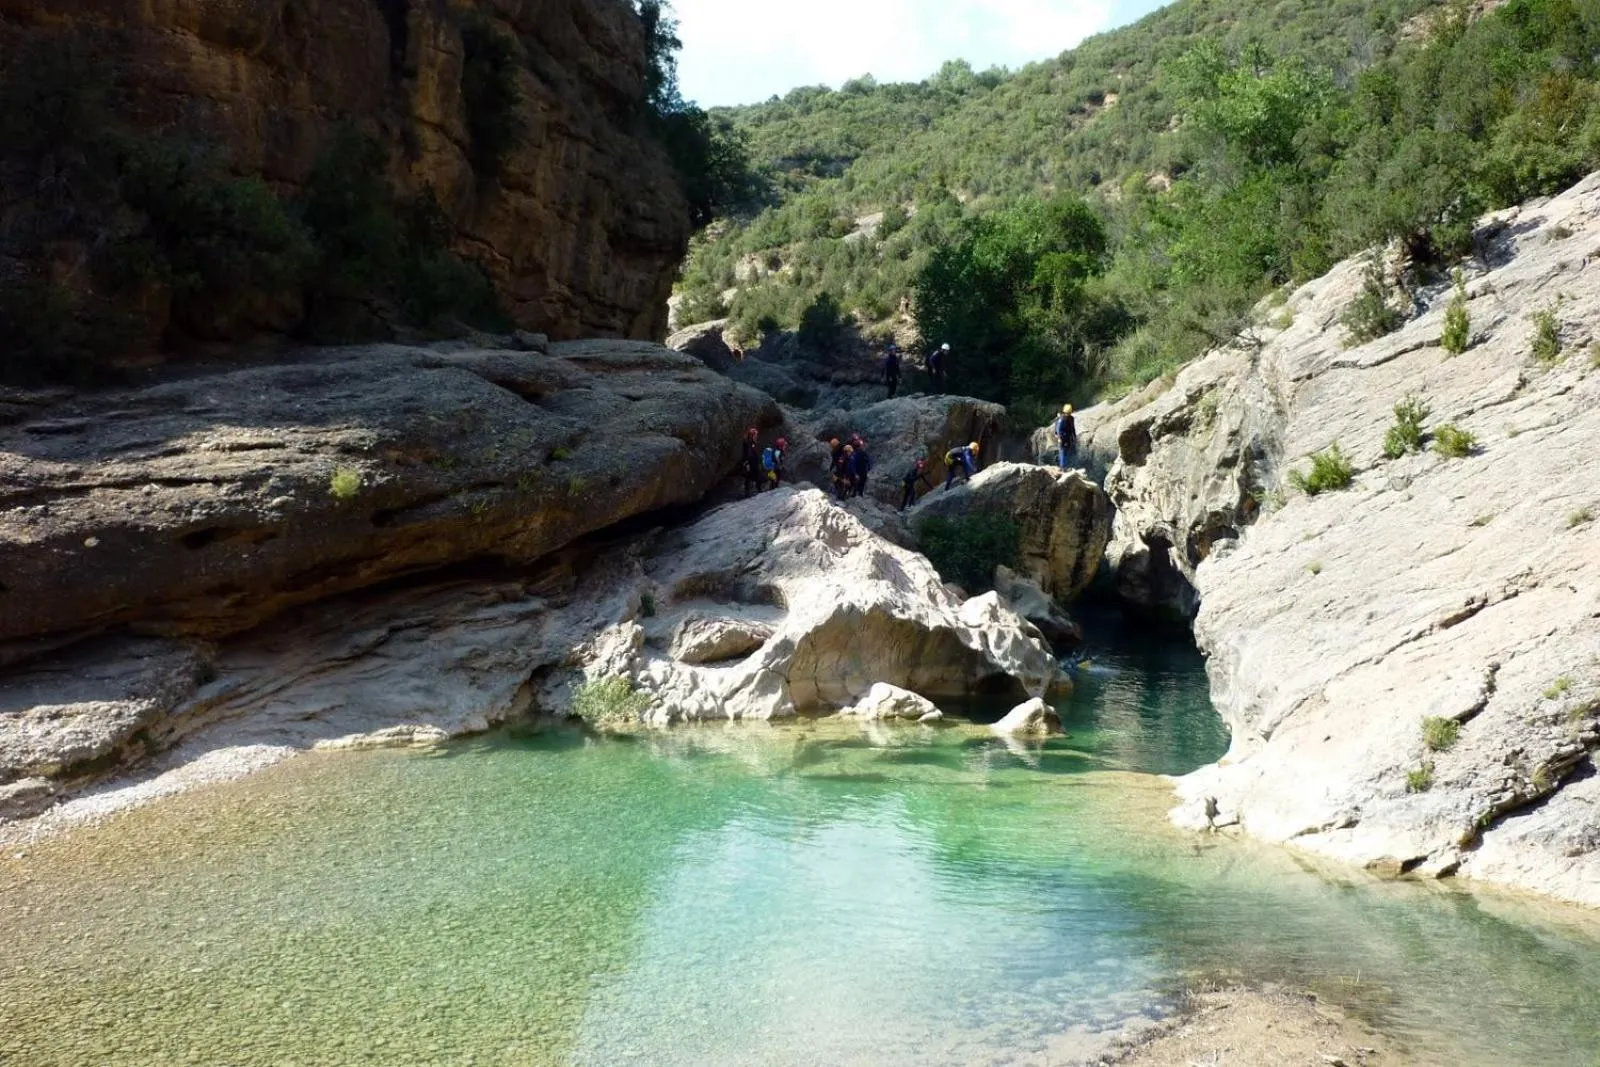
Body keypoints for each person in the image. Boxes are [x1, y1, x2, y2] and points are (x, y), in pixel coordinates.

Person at [1053, 403, 1078, 471]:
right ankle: (1063, 467)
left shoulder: (1071, 418)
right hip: (1062, 437)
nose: (1068, 414)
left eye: (1069, 413)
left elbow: (1072, 428)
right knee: (1063, 452)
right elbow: (1059, 430)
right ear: (1064, 412)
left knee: (1069, 452)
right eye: (1067, 413)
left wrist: (1074, 437)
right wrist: (1059, 438)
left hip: (1068, 437)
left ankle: (1068, 466)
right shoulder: (1061, 420)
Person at [740, 427, 762, 498]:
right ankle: (752, 491)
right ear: (752, 435)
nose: (756, 436)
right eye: (755, 435)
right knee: (750, 476)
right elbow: (748, 454)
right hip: (751, 463)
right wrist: (747, 463)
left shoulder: (751, 443)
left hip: (752, 462)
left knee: (751, 476)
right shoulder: (750, 443)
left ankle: (754, 490)